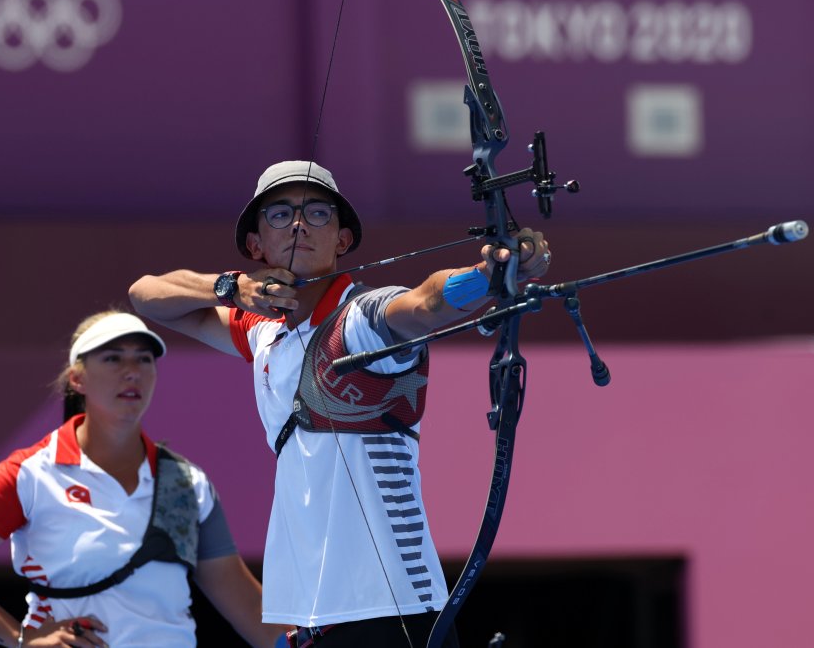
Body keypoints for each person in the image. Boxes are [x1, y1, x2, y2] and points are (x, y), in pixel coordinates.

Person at [128, 160, 551, 647]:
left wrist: (488, 275)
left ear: (343, 240)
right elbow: (147, 296)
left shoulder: (361, 318)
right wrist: (231, 288)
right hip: (314, 615)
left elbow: (424, 304)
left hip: (393, 608)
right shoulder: (262, 330)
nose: (301, 224)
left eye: (319, 213)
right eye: (281, 214)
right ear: (256, 245)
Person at [0, 311, 291, 647]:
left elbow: (247, 607)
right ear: (77, 378)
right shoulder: (30, 472)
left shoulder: (188, 484)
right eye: (113, 358)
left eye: (144, 359)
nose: (132, 371)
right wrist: (20, 640)